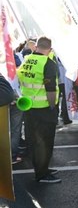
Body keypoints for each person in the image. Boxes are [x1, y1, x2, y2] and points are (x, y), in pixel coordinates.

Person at [17, 36, 60, 183]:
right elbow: (50, 89)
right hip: (44, 109)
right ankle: (42, 174)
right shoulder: (48, 63)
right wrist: (53, 107)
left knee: (34, 141)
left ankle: (42, 168)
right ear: (50, 48)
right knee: (45, 142)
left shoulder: (27, 59)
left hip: (28, 107)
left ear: (36, 46)